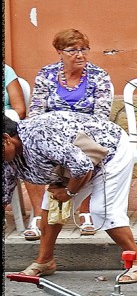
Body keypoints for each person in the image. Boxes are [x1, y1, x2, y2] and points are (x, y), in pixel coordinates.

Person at [2, 112, 137, 282]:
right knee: (52, 206)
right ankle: (45, 261)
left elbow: (82, 166)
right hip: (75, 162)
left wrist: (69, 192)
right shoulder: (9, 155)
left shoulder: (40, 137)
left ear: (6, 139)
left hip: (110, 149)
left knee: (102, 210)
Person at [25, 29, 114, 239]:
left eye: (84, 49)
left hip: (85, 134)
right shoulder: (46, 74)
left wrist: (72, 136)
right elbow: (36, 110)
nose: (80, 55)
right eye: (73, 50)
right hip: (51, 133)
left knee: (82, 156)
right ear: (59, 52)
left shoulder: (99, 76)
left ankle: (85, 212)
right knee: (30, 152)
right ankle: (39, 214)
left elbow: (101, 116)